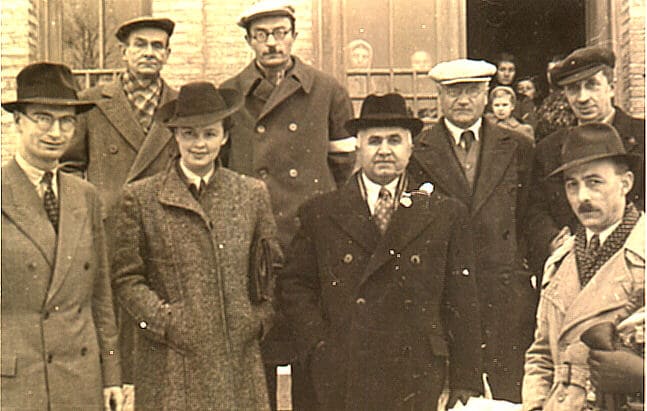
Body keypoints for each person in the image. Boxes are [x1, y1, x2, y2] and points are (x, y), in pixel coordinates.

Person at [280, 93, 482, 410]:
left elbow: (462, 298)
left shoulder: (444, 214)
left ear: (411, 147)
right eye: (374, 141)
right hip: (344, 370)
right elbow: (295, 286)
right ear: (357, 146)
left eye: (395, 140)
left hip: (418, 372)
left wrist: (464, 378)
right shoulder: (320, 213)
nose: (384, 150)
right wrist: (320, 342)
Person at [108, 82, 281, 410]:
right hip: (171, 360)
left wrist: (256, 319)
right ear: (175, 136)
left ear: (224, 136)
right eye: (189, 133)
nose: (199, 144)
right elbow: (126, 278)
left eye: (209, 133)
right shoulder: (142, 197)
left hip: (238, 359)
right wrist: (167, 322)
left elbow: (271, 267)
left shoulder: (250, 194)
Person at [221, 2, 355, 409]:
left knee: (312, 355)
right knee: (253, 357)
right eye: (261, 35)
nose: (272, 43)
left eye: (280, 32)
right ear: (249, 41)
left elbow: (344, 168)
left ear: (293, 36)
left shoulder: (328, 91)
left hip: (309, 243)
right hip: (252, 244)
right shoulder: (229, 94)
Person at [61, 16, 178, 405]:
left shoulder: (179, 106)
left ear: (167, 53)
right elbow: (70, 167)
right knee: (112, 324)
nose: (149, 52)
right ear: (123, 52)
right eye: (140, 44)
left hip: (163, 233)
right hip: (108, 231)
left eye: (157, 46)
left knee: (157, 324)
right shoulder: (93, 103)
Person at [409, 58, 536, 403]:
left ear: (486, 94)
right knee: (452, 393)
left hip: (503, 287)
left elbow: (527, 214)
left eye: (471, 91)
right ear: (439, 96)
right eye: (453, 92)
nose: (462, 100)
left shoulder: (517, 146)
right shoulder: (417, 150)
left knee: (508, 390)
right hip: (444, 288)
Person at [1, 62, 122, 410]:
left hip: (79, 381)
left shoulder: (84, 195)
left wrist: (111, 372)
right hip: (16, 383)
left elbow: (100, 296)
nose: (56, 132)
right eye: (43, 117)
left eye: (67, 121)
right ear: (18, 121)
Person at [522, 122, 644, 411]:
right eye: (571, 185)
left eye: (594, 182)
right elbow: (540, 354)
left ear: (625, 183)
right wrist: (536, 405)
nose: (582, 197)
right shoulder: (561, 258)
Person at [526, 46, 645, 279]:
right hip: (573, 268)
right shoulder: (548, 149)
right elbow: (534, 209)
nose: (582, 97)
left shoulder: (643, 136)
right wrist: (552, 242)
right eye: (573, 89)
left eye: (592, 85)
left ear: (611, 88)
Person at [534, 55, 577, 142]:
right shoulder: (544, 99)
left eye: (557, 70)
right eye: (550, 71)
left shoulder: (574, 96)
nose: (554, 75)